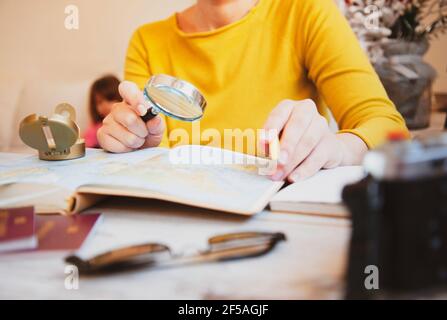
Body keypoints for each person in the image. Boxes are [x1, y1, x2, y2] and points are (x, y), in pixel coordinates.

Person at [97, 0, 409, 181]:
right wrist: (135, 139)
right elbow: (152, 166)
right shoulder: (146, 40)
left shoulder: (306, 11)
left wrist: (337, 149)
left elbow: (389, 128)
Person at [84, 75, 121, 148]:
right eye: (99, 102)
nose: (105, 106)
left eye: (110, 99)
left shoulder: (127, 122)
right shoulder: (95, 129)